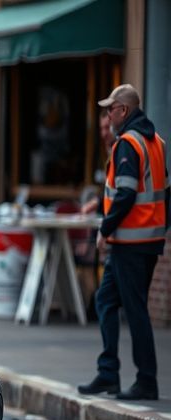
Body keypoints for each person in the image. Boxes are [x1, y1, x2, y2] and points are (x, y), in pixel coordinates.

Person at [78, 84, 169, 401]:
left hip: (131, 241)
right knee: (105, 300)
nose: (108, 115)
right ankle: (108, 374)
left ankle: (146, 381)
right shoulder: (155, 141)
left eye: (110, 109)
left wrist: (106, 227)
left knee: (134, 310)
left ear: (124, 111)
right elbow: (165, 191)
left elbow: (127, 192)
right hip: (146, 239)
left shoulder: (128, 144)